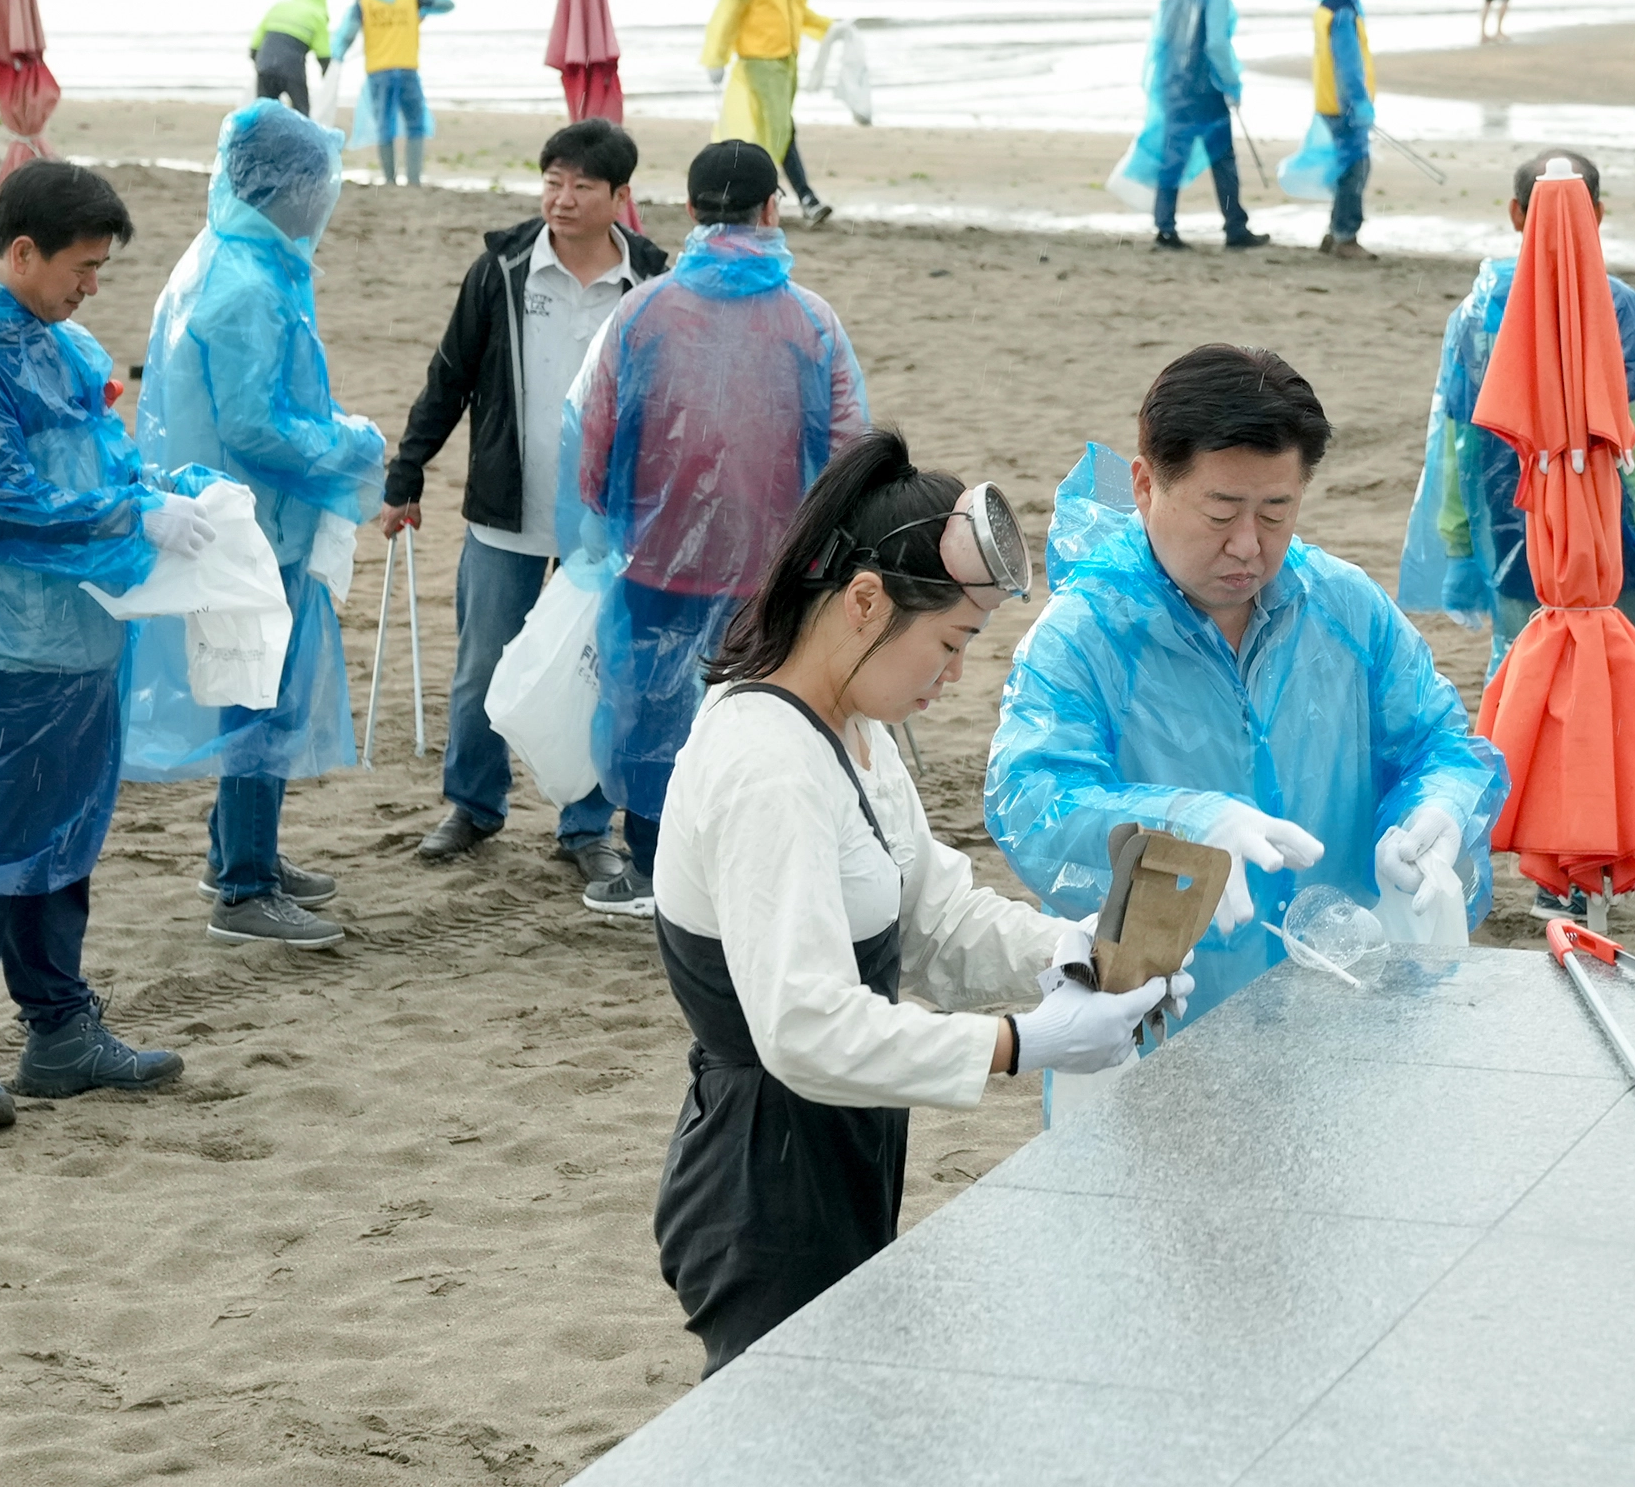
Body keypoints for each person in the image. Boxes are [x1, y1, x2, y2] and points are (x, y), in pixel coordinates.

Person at [650, 431, 1174, 1374]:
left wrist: (1066, 950)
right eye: (949, 643)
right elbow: (804, 1026)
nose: (954, 675)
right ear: (863, 603)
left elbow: (931, 915)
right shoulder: (766, 765)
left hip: (845, 1137)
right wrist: (1021, 1044)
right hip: (761, 1171)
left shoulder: (853, 729)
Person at [988, 345, 1506, 1025]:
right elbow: (1033, 800)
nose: (1247, 545)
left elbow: (1435, 740)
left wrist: (1436, 810)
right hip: (1162, 1017)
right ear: (1145, 487)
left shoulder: (1344, 607)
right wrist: (1184, 822)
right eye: (1220, 510)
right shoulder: (1084, 635)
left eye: (1274, 512)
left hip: (1341, 1002)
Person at [0, 162, 199, 1128]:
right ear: (22, 253)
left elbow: (105, 459)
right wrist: (133, 513)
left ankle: (59, 1026)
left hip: (82, 634)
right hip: (4, 641)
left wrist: (166, 491)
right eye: (82, 266)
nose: (92, 283)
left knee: (63, 837)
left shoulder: (58, 340)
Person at [1400, 150, 1635, 906]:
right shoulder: (1613, 305)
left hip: (1514, 548)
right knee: (1629, 687)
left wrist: (1464, 546)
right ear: (1595, 219)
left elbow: (1456, 440)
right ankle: (1629, 827)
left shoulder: (1475, 313)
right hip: (1607, 548)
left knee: (1531, 695)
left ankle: (1551, 858)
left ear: (1514, 218)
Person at [565, 139, 871, 917]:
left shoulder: (641, 311)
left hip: (654, 557)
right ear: (772, 210)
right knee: (769, 712)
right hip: (778, 566)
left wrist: (600, 516)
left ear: (692, 210)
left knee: (649, 704)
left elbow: (594, 430)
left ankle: (648, 864)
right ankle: (752, 866)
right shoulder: (810, 319)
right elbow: (847, 444)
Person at [123, 104, 386, 945]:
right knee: (256, 699)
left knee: (255, 690)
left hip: (243, 513)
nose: (325, 204)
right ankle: (242, 886)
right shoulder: (242, 282)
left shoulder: (235, 258)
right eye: (319, 186)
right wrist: (348, 443)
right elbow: (256, 425)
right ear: (285, 188)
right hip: (250, 523)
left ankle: (244, 856)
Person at [384, 120, 672, 888]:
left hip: (607, 527)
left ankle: (584, 827)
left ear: (619, 198)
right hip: (506, 510)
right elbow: (449, 377)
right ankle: (473, 805)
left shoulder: (652, 283)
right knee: (483, 667)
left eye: (581, 185)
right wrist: (404, 476)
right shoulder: (501, 270)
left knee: (596, 673)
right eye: (552, 180)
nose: (562, 198)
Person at [1121, 0, 1265, 251]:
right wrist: (1231, 84)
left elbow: (1162, 41)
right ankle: (1235, 228)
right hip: (1205, 91)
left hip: (1173, 87)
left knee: (1172, 158)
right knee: (1223, 160)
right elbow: (1216, 45)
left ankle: (1165, 226)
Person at [701, 0, 837, 226]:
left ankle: (750, 196)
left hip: (787, 61)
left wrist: (832, 29)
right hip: (759, 59)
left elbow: (797, 13)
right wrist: (716, 57)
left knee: (772, 130)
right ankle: (805, 197)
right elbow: (730, 8)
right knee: (781, 128)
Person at [1279, 0, 1379, 258]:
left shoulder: (1328, 2)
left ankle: (1334, 232)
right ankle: (1345, 236)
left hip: (1327, 99)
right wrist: (1358, 103)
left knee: (1347, 165)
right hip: (1343, 103)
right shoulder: (1344, 9)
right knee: (1355, 167)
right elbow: (1347, 62)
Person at [331, 0, 454, 186]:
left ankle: (390, 179)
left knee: (384, 126)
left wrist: (335, 58)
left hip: (379, 71)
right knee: (415, 123)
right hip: (407, 68)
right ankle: (414, 179)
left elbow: (347, 35)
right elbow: (447, 4)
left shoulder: (364, 1)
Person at [251, 0, 335, 114]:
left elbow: (254, 45)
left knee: (264, 112)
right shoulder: (317, 16)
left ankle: (265, 133)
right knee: (300, 111)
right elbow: (323, 54)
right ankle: (299, 133)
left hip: (265, 63)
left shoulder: (279, 7)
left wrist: (259, 64)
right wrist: (327, 79)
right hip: (292, 68)